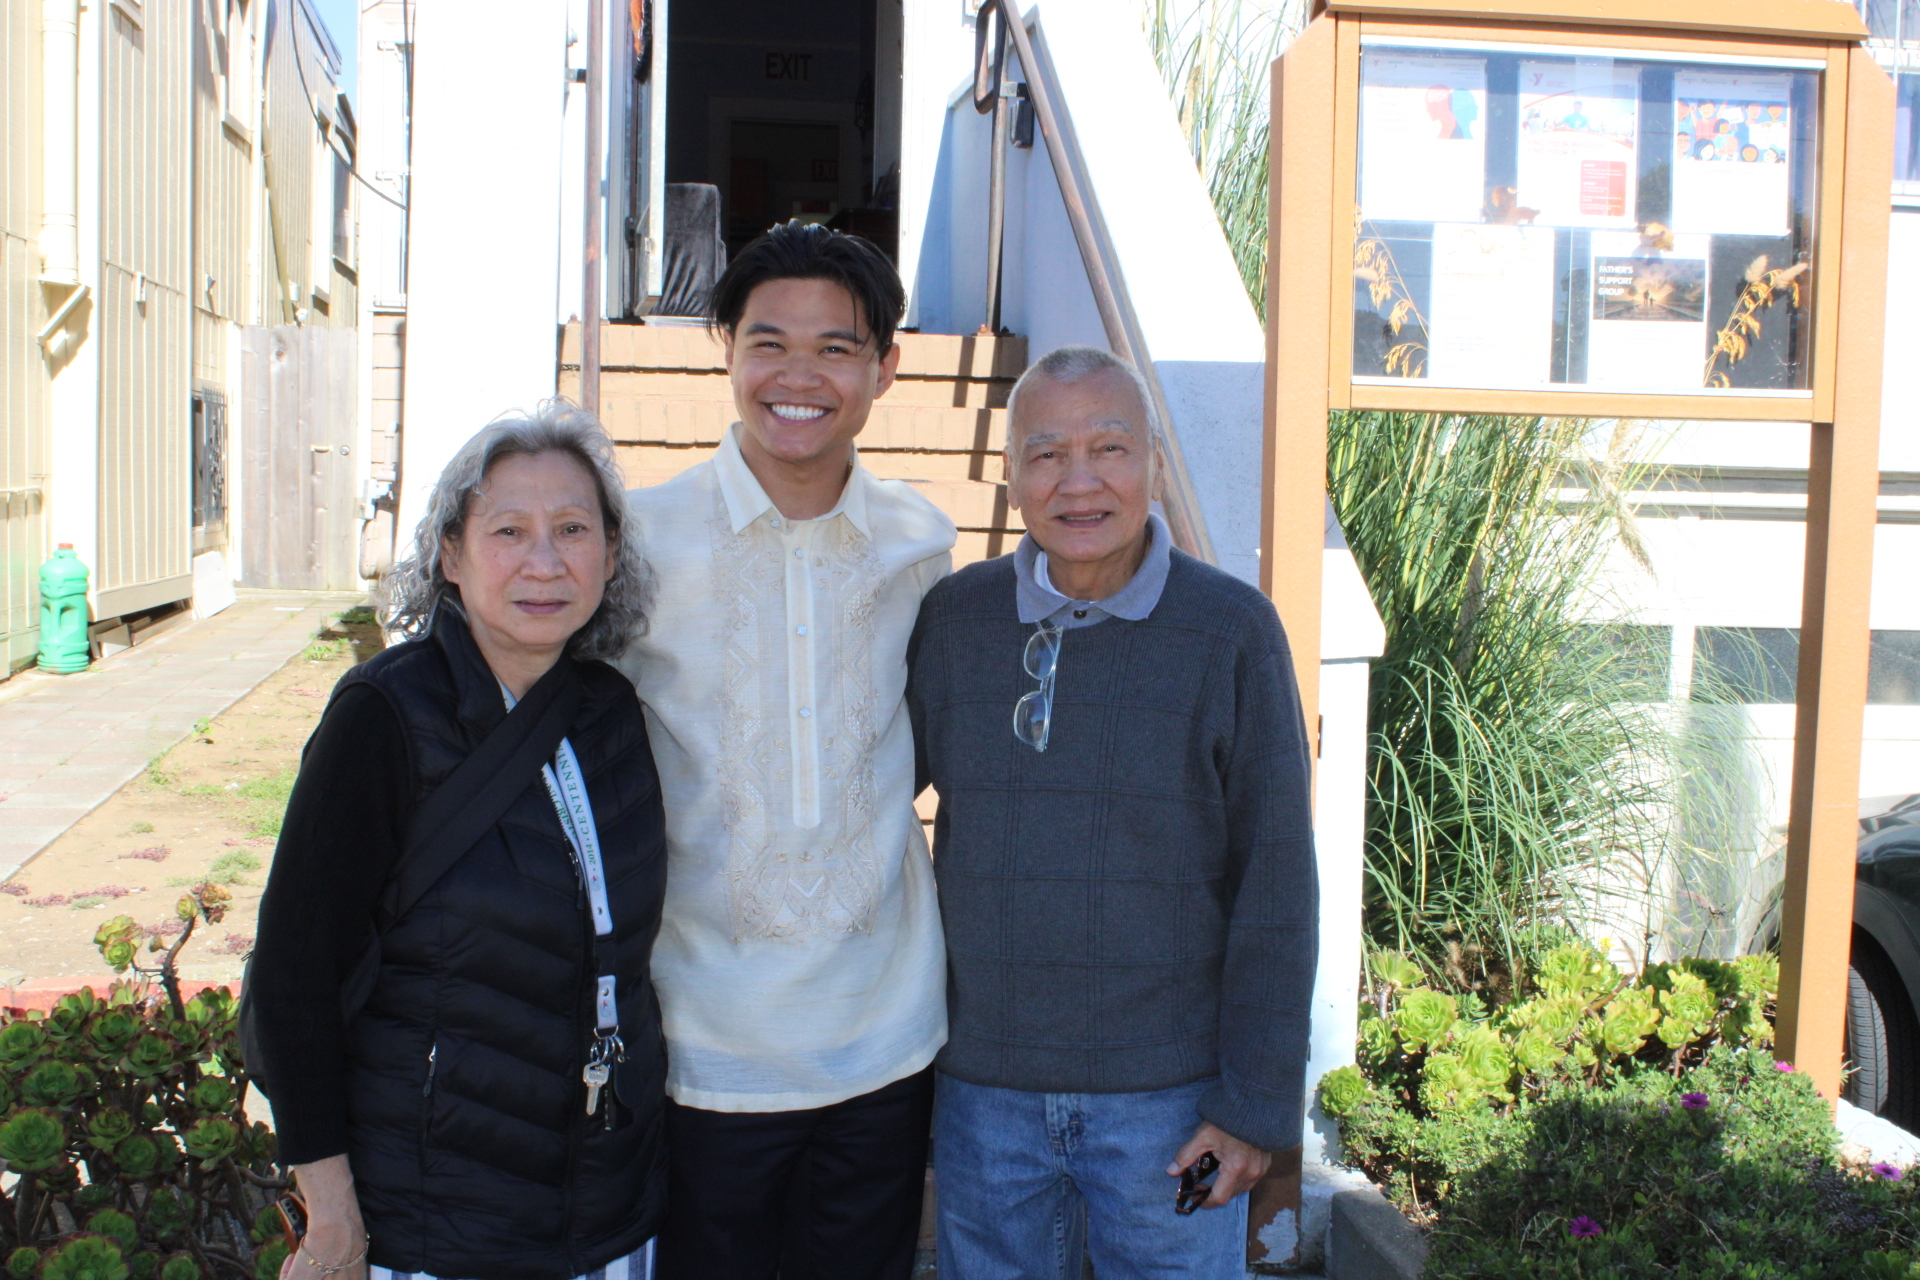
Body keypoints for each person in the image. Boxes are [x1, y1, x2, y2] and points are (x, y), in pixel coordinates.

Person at [907, 346, 1318, 1279]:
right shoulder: (957, 621)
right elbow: (870, 803)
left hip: (1170, 1109)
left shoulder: (1232, 633)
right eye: (1046, 454)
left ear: (1156, 463)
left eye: (1110, 448)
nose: (1079, 480)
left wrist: (1251, 1106)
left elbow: (1278, 883)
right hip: (984, 1098)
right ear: (1010, 476)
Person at [250, 404, 667, 1280]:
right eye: (509, 530)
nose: (544, 562)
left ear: (611, 555)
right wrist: (332, 1221)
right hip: (438, 1219)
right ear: (449, 552)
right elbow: (294, 982)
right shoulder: (385, 717)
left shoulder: (610, 713)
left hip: (608, 1205)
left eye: (573, 530)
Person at [617, 220, 954, 1280]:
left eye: (836, 347)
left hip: (886, 1030)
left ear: (885, 368)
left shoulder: (922, 541)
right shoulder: (639, 542)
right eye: (768, 342)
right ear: (724, 349)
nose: (798, 375)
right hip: (704, 1039)